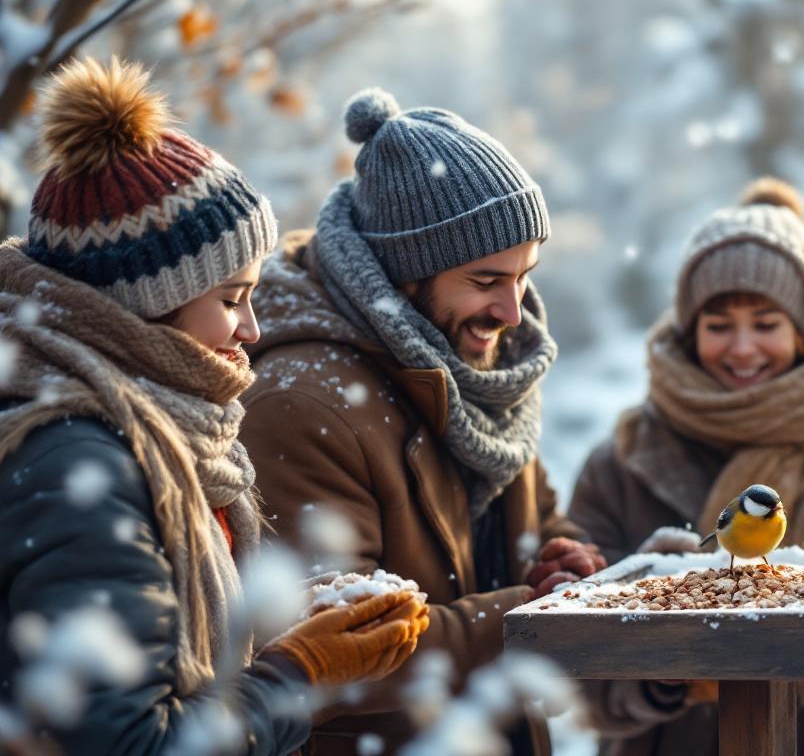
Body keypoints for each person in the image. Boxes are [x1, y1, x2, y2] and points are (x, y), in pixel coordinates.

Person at [0, 58, 427, 755]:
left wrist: (295, 623)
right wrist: (299, 673)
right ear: (144, 305)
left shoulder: (153, 431)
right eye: (230, 299)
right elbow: (132, 743)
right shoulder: (81, 463)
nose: (251, 330)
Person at [239, 88, 601, 755]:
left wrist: (563, 559)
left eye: (524, 277)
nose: (513, 312)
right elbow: (334, 647)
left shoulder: (482, 371)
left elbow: (532, 515)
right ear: (403, 273)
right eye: (486, 280)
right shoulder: (303, 404)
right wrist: (531, 617)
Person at [568, 178, 804, 756]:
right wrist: (654, 649)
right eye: (719, 326)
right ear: (691, 334)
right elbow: (571, 668)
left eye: (766, 324)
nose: (742, 348)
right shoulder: (623, 458)